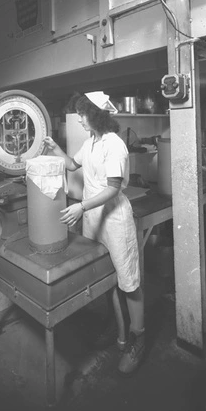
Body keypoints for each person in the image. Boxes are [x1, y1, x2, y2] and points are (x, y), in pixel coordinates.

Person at [43, 91, 145, 376]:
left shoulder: (115, 145)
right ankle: (118, 328)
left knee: (128, 281)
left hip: (114, 220)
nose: (79, 119)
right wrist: (54, 148)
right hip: (93, 218)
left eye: (82, 114)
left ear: (96, 115)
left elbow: (113, 188)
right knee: (105, 277)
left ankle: (138, 336)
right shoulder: (90, 143)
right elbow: (72, 165)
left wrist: (81, 207)